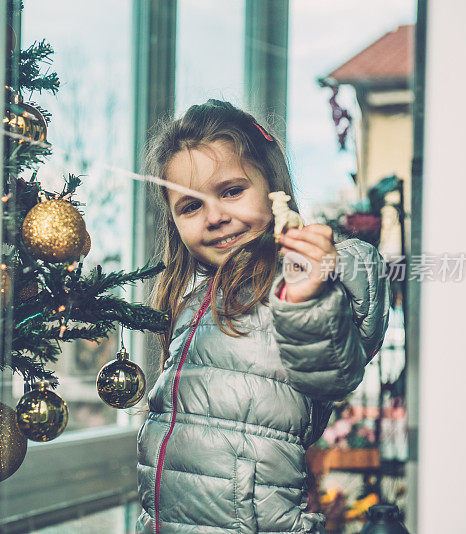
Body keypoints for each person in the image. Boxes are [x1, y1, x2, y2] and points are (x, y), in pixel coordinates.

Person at [135, 100, 390, 533]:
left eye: (231, 191)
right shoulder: (197, 302)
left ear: (273, 189)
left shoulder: (314, 278)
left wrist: (309, 294)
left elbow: (332, 371)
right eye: (190, 207)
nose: (215, 217)